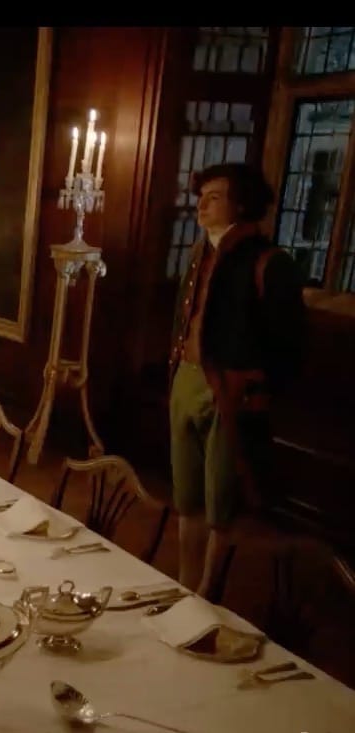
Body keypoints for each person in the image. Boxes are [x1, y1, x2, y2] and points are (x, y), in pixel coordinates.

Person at [168, 162, 305, 596]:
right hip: (186, 379)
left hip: (231, 390)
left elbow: (289, 343)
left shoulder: (270, 262)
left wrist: (255, 390)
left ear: (241, 204)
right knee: (186, 496)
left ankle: (207, 591)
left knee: (220, 501)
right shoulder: (199, 254)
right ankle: (184, 584)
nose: (201, 206)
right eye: (201, 197)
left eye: (214, 197)